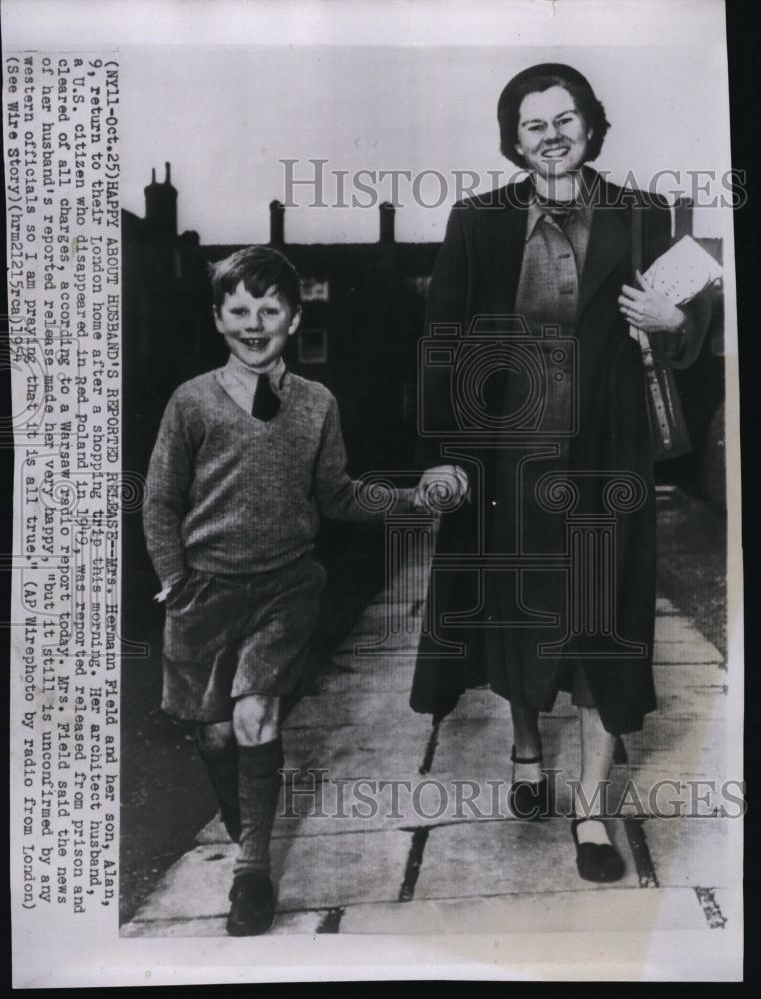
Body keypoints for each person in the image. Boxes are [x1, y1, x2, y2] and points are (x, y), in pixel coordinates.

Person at [412, 64, 710, 881]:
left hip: (607, 456)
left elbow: (694, 328)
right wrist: (444, 451)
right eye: (534, 124)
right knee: (517, 612)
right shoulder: (477, 223)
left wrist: (671, 318)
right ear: (513, 140)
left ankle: (587, 809)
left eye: (565, 118)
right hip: (510, 458)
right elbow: (444, 336)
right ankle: (523, 746)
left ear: (591, 126)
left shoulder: (643, 216)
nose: (552, 134)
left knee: (600, 621)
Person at [143, 246, 410, 934]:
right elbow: (159, 501)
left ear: (293, 318)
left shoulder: (316, 404)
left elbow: (338, 494)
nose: (254, 324)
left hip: (286, 586)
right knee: (215, 735)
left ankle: (251, 872)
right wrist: (173, 578)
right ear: (217, 318)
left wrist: (410, 501)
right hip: (204, 591)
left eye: (270, 310)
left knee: (255, 715)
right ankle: (245, 818)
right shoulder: (191, 402)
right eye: (239, 310)